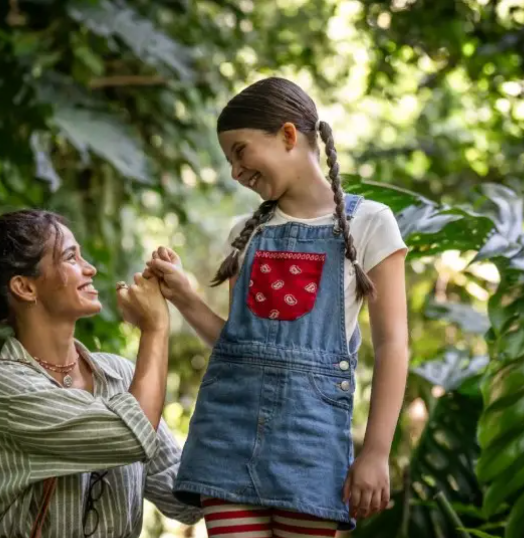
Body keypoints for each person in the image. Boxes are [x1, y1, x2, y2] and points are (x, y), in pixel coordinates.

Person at [144, 77, 409, 537]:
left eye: (240, 151)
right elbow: (236, 344)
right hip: (227, 431)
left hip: (309, 443)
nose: (235, 171)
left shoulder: (370, 223)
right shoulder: (246, 232)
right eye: (229, 159)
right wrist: (184, 295)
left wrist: (376, 452)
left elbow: (393, 346)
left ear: (288, 136)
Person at [0, 208, 201, 537]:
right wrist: (154, 328)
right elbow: (129, 435)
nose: (90, 269)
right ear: (25, 287)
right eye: (71, 257)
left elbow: (184, 499)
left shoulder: (121, 376)